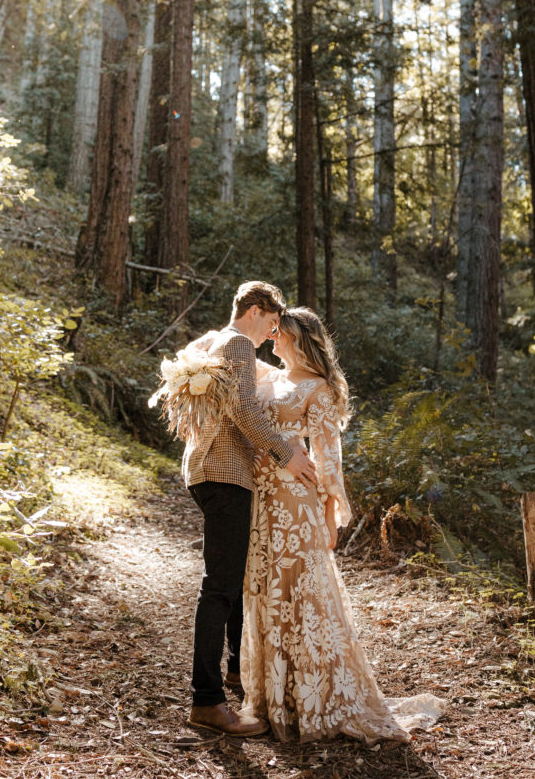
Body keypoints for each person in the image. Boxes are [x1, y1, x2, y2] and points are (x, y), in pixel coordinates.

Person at [241, 307, 445, 744]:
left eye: (280, 335)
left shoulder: (320, 389)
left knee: (300, 590)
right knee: (266, 586)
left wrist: (331, 514)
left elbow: (328, 457)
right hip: (260, 501)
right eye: (272, 332)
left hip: (297, 504)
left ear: (299, 340)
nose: (272, 340)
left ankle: (311, 698)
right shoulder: (267, 377)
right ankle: (271, 696)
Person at [183, 282, 318, 738]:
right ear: (256, 311)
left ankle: (239, 674)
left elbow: (241, 398)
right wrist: (286, 453)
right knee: (220, 588)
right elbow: (243, 406)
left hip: (206, 470)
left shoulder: (210, 340)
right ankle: (206, 701)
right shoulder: (239, 342)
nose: (270, 335)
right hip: (224, 473)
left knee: (232, 581)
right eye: (272, 324)